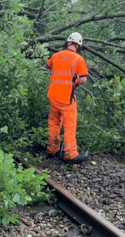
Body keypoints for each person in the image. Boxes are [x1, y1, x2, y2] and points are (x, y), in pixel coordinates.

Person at [46, 32, 89, 164]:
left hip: (53, 95)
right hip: (67, 98)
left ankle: (52, 149)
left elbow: (48, 66)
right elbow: (83, 79)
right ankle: (70, 154)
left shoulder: (55, 55)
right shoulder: (78, 59)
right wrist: (74, 82)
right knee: (69, 125)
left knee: (54, 122)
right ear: (78, 46)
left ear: (67, 43)